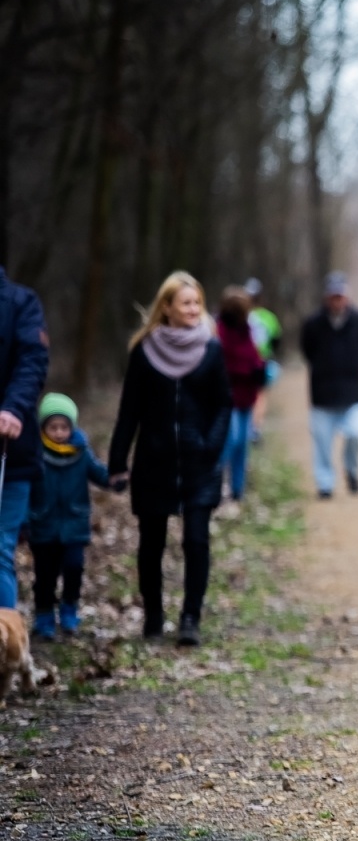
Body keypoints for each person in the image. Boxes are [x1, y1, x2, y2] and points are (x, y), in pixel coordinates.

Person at [108, 271, 232, 646]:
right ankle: (153, 617)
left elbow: (223, 405)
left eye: (197, 303)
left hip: (199, 464)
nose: (194, 310)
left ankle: (190, 618)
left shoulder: (211, 350)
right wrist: (117, 462)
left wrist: (210, 445)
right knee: (151, 544)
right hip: (154, 462)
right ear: (166, 308)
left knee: (196, 541)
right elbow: (129, 411)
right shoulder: (144, 352)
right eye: (186, 303)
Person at [26, 394, 110, 640]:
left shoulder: (81, 452)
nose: (59, 433)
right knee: (45, 575)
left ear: (72, 427)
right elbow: (26, 487)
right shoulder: (35, 454)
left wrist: (115, 478)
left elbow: (99, 473)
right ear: (43, 428)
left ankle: (69, 609)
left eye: (64, 427)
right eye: (53, 427)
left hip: (74, 525)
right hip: (43, 526)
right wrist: (25, 519)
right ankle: (44, 617)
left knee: (74, 568)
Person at [0, 267, 49, 610]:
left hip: (9, 450)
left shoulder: (21, 302)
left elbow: (33, 360)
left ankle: (7, 637)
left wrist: (13, 408)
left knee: (0, 547)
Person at [300, 272, 358, 500]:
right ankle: (325, 484)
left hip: (353, 392)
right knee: (322, 443)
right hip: (322, 394)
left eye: (340, 296)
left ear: (347, 297)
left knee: (356, 433)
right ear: (326, 297)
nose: (337, 301)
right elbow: (307, 350)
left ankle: (352, 470)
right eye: (333, 296)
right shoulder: (313, 323)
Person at [217, 287, 267, 500]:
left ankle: (238, 489)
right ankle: (217, 484)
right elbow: (224, 364)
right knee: (232, 440)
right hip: (228, 398)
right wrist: (248, 370)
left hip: (247, 396)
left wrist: (260, 370)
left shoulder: (246, 330)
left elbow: (254, 356)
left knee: (243, 444)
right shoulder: (219, 333)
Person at [243, 277, 281, 442]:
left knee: (250, 395)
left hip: (245, 362)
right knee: (260, 395)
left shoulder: (242, 316)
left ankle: (250, 427)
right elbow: (276, 340)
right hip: (261, 361)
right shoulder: (268, 317)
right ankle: (255, 427)